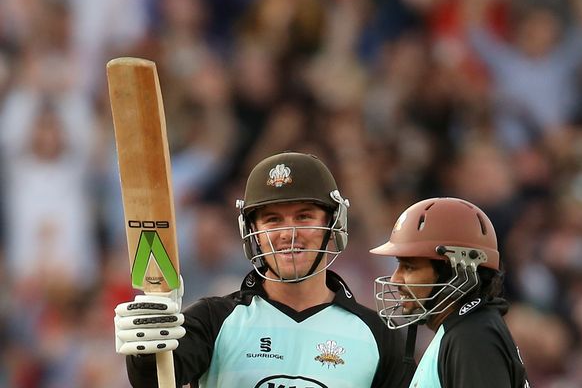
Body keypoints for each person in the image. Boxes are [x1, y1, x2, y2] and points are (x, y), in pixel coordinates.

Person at [114, 151, 413, 387]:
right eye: (273, 220)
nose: (288, 234)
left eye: (304, 216)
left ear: (334, 223)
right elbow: (153, 380)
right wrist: (145, 348)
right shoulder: (213, 320)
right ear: (252, 232)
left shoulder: (378, 336)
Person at [370, 197, 530, 387]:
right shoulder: (463, 330)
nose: (395, 279)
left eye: (409, 267)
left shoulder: (472, 337)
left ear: (456, 271)